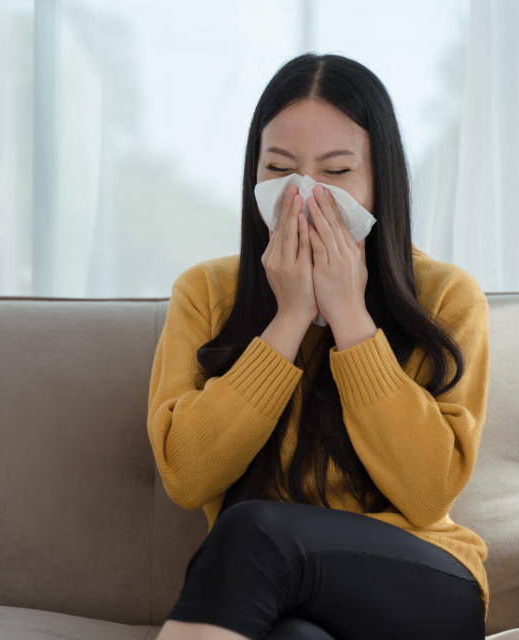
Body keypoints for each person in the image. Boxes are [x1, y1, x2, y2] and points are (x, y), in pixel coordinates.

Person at [147, 52, 490, 640]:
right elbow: (187, 476)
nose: (303, 195)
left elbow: (428, 493)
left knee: (256, 530)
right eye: (279, 168)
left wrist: (349, 316)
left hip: (426, 586)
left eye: (336, 173)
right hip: (281, 601)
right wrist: (289, 319)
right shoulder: (205, 292)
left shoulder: (446, 296)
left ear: (381, 182)